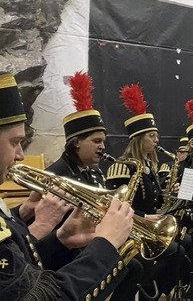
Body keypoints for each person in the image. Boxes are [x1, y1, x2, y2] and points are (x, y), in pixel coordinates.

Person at [0, 72, 134, 300]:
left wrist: (60, 240)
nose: (21, 155)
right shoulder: (58, 171)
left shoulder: (94, 171)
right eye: (15, 142)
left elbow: (22, 272)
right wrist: (106, 245)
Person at [105, 84, 185, 299]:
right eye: (152, 136)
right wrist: (144, 217)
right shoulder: (121, 167)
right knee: (174, 251)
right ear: (139, 139)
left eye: (156, 136)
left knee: (182, 246)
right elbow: (113, 205)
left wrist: (168, 192)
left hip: (148, 225)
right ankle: (149, 291)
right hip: (131, 228)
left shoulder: (151, 167)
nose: (157, 141)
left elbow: (152, 199)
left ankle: (157, 291)